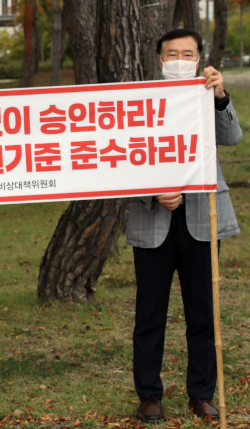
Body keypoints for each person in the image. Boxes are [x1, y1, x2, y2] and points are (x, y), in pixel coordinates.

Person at [126, 29, 242, 423]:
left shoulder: (207, 94)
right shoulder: (137, 102)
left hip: (202, 221)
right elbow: (119, 158)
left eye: (187, 53)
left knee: (203, 314)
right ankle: (149, 396)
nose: (180, 58)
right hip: (153, 220)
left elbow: (232, 137)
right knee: (150, 314)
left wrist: (221, 96)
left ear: (198, 58)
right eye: (172, 53)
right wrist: (152, 192)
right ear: (159, 60)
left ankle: (202, 394)